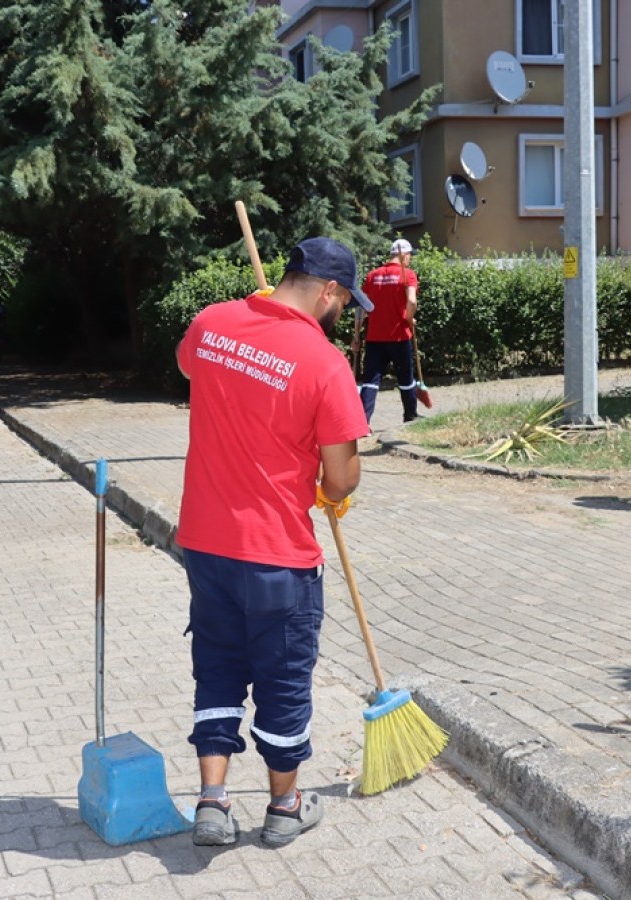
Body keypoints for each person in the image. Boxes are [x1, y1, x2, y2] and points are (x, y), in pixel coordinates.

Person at [175, 236, 373, 848]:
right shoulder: (324, 363)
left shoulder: (210, 323)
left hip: (206, 543)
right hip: (276, 555)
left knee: (218, 668)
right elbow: (340, 475)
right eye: (345, 302)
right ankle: (284, 806)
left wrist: (247, 324)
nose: (343, 315)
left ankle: (212, 800)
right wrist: (332, 491)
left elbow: (189, 365)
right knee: (282, 680)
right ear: (330, 291)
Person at [357, 238, 420, 423]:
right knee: (406, 379)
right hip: (399, 336)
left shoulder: (372, 275)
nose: (410, 260)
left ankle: (362, 423)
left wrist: (356, 334)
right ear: (403, 255)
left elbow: (361, 307)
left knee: (370, 381)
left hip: (374, 338)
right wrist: (409, 318)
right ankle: (410, 418)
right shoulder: (407, 274)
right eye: (409, 256)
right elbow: (412, 301)